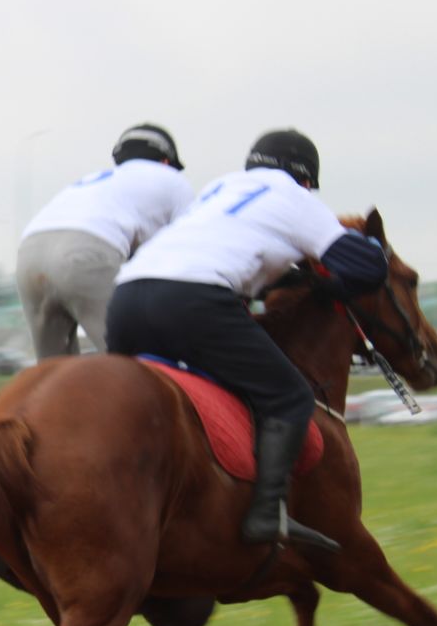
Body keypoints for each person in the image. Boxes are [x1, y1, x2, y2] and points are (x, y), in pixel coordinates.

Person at [106, 129, 391, 550]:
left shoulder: (218, 190)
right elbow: (367, 269)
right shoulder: (296, 198)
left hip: (126, 300)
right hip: (193, 300)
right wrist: (356, 258)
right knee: (290, 396)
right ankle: (265, 515)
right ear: (306, 179)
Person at [16, 123, 193, 358]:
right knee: (136, 362)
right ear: (165, 162)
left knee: (53, 373)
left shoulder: (97, 180)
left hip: (29, 253)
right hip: (84, 252)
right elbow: (188, 252)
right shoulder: (171, 179)